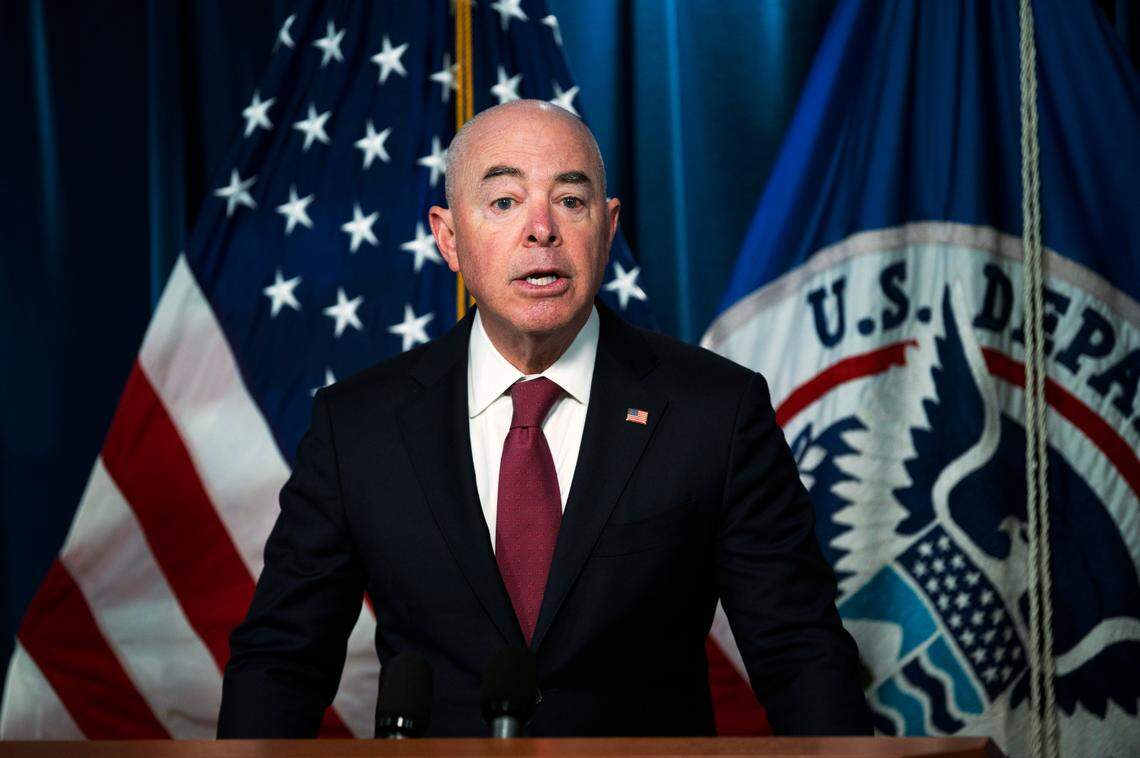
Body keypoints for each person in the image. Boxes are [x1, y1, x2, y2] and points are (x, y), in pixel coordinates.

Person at [217, 100, 871, 738]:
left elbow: (798, 650)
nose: (542, 230)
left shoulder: (715, 411)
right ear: (448, 237)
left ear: (608, 228)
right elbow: (281, 661)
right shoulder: (358, 425)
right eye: (505, 202)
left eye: (570, 200)